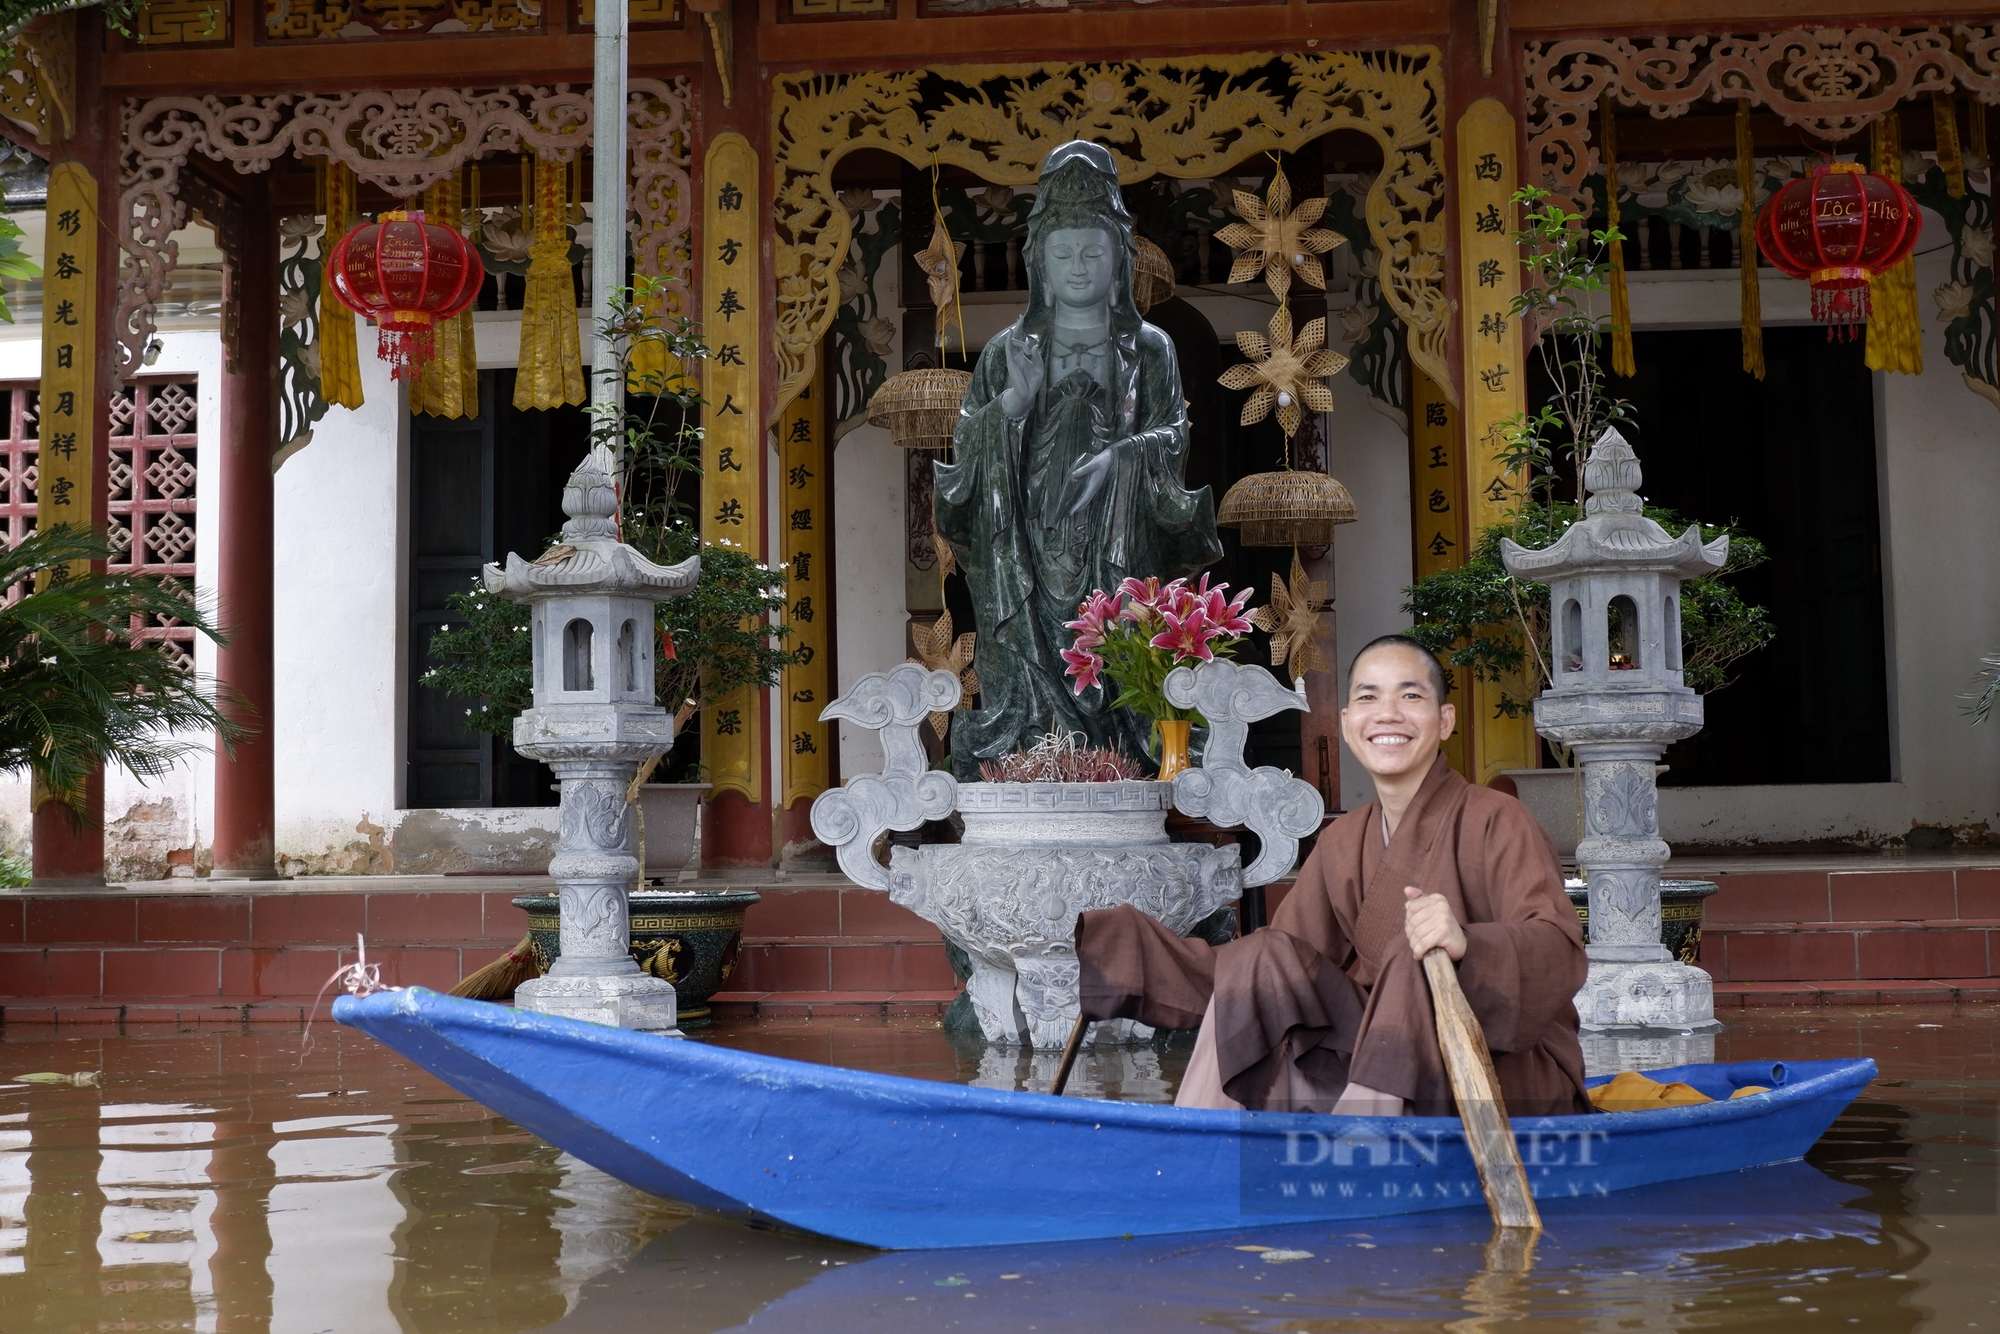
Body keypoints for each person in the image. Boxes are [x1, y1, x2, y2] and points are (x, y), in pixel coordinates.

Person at [1073, 634, 1593, 1116]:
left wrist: (1468, 944)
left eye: (1410, 697)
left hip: (1500, 1065)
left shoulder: (1498, 820)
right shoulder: (1344, 839)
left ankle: (1360, 1146)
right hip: (1381, 1051)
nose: (1386, 714)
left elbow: (1559, 949)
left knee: (1413, 955)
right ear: (1346, 722)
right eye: (1368, 698)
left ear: (1445, 720)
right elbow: (1283, 968)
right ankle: (1199, 1135)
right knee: (1261, 953)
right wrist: (1140, 954)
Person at [935, 140, 1222, 779]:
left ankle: (1138, 761)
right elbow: (967, 460)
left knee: (1124, 647)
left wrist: (1120, 459)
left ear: (1118, 257)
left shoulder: (1149, 348)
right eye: (1063, 253)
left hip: (1119, 534)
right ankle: (1030, 756)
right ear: (1039, 261)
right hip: (1027, 537)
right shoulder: (1007, 349)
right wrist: (1014, 401)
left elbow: (1172, 434)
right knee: (1029, 648)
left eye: (1093, 251)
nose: (1079, 267)